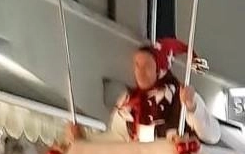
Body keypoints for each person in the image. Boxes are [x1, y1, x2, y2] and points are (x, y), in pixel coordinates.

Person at [71, 41, 220, 144]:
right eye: (137, 65)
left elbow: (213, 135)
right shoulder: (127, 103)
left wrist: (192, 107)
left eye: (147, 66)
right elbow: (115, 140)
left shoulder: (183, 97)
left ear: (160, 69)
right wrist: (83, 140)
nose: (141, 72)